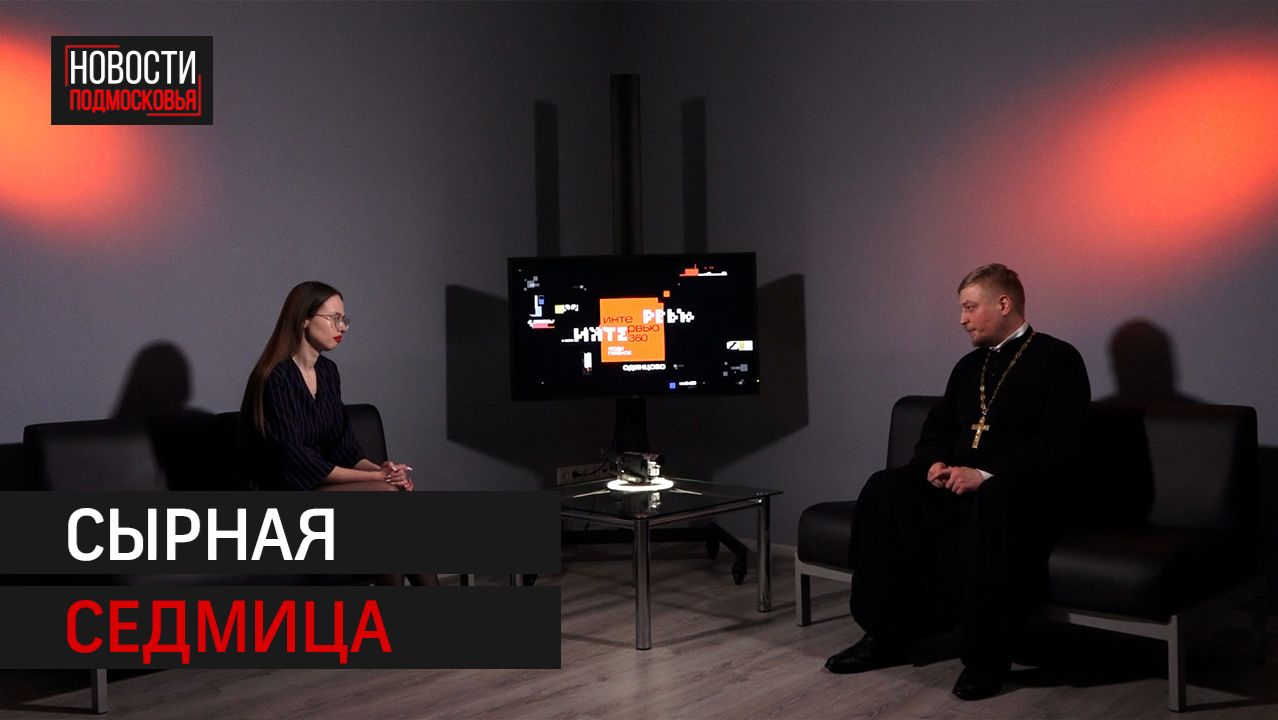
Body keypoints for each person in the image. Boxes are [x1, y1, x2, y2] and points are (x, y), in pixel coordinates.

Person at [824, 264, 1090, 701]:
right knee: (886, 489)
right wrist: (934, 463)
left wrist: (985, 476)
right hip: (959, 485)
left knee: (994, 500)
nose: (962, 319)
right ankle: (886, 635)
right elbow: (937, 428)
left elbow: (1061, 445)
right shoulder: (969, 366)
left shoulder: (1059, 360)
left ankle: (986, 658)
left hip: (1024, 490)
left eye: (969, 307)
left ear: (1003, 304)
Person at [241, 280, 437, 586]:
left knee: (393, 498)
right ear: (304, 319)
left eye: (344, 319)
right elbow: (297, 463)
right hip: (280, 497)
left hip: (316, 489)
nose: (342, 327)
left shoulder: (328, 372)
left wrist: (384, 470)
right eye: (333, 318)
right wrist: (377, 479)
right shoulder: (274, 377)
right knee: (386, 496)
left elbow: (343, 447)